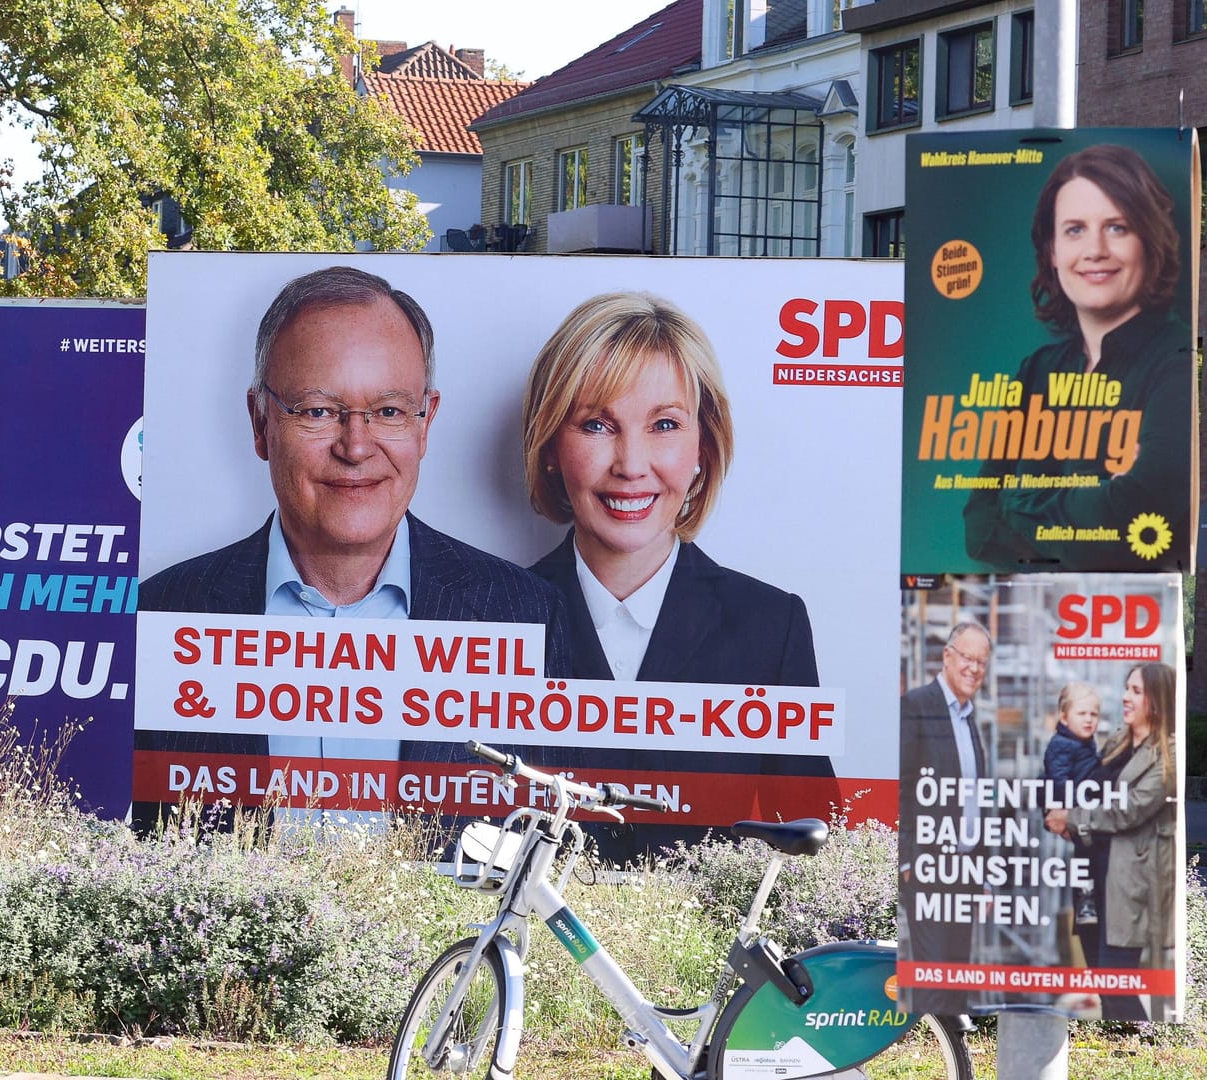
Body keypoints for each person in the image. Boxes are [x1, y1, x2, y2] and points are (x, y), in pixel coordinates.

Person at [138, 266, 576, 823]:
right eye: (318, 411)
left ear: (425, 422)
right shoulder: (159, 616)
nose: (356, 445)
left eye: (389, 411)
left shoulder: (527, 618)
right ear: (259, 422)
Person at [515, 291, 834, 860]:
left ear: (702, 448)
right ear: (551, 448)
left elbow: (817, 858)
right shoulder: (491, 619)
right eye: (595, 425)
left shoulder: (770, 626)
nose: (632, 464)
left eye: (664, 424)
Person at [962, 144, 1190, 570]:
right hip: (1041, 610)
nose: (1095, 249)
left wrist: (1021, 504)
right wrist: (1093, 506)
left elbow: (1137, 516)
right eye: (1074, 230)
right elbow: (979, 522)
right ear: (1051, 251)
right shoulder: (1038, 370)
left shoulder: (1175, 364)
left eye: (1117, 227)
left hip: (1133, 617)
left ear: (1149, 239)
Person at [1047, 662, 1179, 1021]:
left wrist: (1071, 819)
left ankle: (1147, 1044)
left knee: (1115, 981)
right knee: (1102, 979)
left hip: (1127, 887)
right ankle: (1129, 1039)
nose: (1125, 697)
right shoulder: (1118, 738)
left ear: (1157, 699)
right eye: (1127, 688)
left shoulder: (1168, 754)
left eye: (1136, 691)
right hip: (1091, 877)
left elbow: (1128, 811)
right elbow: (1086, 785)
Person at [899, 621, 993, 1016]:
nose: (974, 668)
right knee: (933, 974)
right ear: (948, 656)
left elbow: (979, 800)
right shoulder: (917, 706)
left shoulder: (971, 719)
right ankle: (930, 1053)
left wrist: (985, 875)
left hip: (967, 867)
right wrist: (906, 860)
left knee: (957, 973)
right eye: (967, 658)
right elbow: (902, 787)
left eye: (982, 662)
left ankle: (955, 1056)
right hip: (927, 862)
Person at [1039, 682, 1110, 954]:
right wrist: (1063, 810)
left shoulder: (1083, 743)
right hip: (1073, 810)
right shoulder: (1062, 745)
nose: (1089, 719)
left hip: (1082, 811)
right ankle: (1086, 905)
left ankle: (1086, 905)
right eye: (1082, 714)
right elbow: (1057, 780)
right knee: (1084, 860)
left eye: (1094, 714)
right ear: (1064, 717)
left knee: (1085, 860)